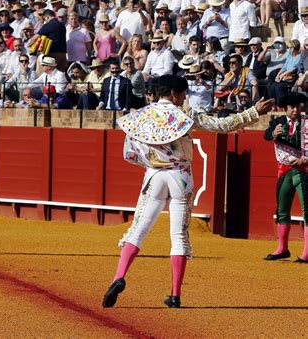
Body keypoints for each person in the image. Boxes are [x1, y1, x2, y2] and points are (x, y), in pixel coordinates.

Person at [102, 75, 274, 309]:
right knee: (179, 236)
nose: (184, 99)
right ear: (173, 94)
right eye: (183, 95)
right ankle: (174, 295)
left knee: (138, 229)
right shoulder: (186, 114)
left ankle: (118, 277)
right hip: (180, 177)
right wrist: (254, 112)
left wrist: (153, 162)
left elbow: (130, 153)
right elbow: (222, 125)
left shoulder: (141, 116)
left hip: (154, 176)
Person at [263, 92, 307, 263]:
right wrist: (273, 133)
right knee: (282, 210)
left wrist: (306, 157)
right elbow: (266, 136)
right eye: (292, 107)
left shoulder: (306, 124)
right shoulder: (278, 122)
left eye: (298, 106)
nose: (296, 110)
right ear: (285, 109)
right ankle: (282, 248)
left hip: (303, 170)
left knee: (307, 211)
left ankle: (307, 252)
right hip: (285, 170)